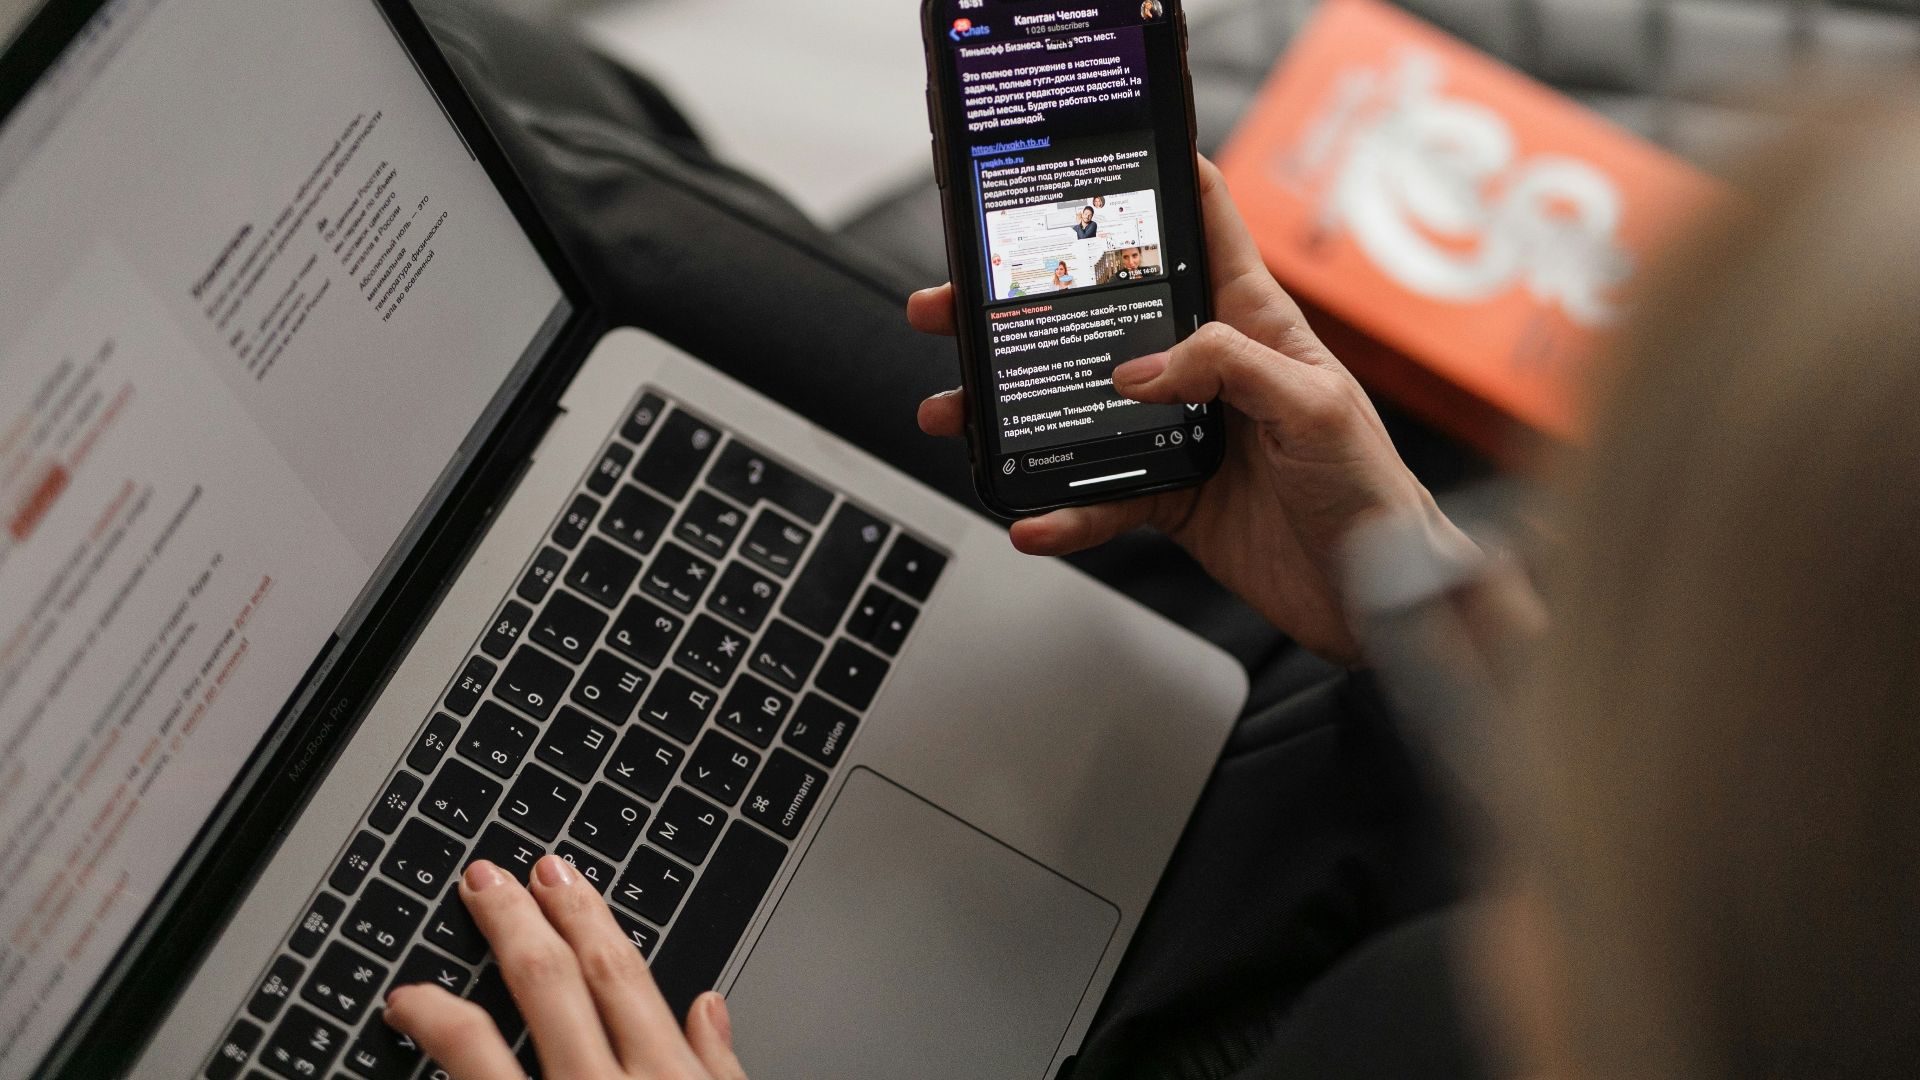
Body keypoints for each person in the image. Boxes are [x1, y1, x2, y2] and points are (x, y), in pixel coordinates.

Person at [379, 97, 1920, 1078]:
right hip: (1338, 772)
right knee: (553, 172)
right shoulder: (1745, 943)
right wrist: (1445, 617)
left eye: (1620, 597)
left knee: (573, 195)